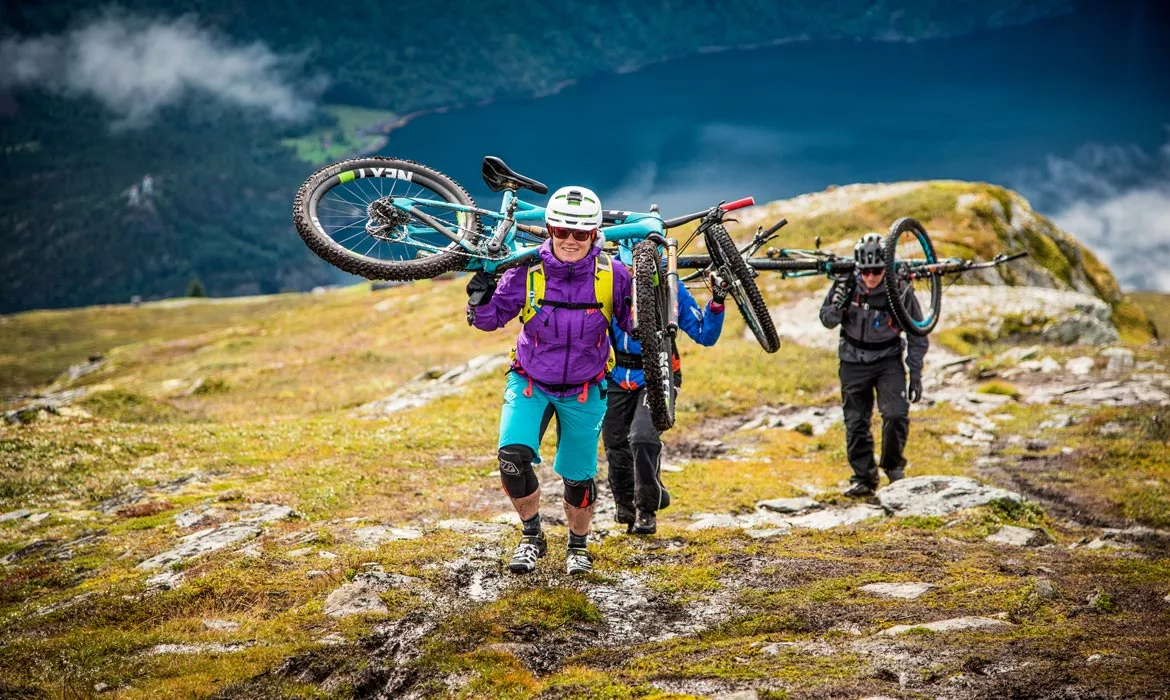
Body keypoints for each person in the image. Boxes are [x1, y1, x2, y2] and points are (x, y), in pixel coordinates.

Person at [466, 185, 632, 575]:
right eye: (561, 231)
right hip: (530, 382)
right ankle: (531, 537)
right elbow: (491, 321)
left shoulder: (613, 275)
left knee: (578, 476)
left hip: (585, 388)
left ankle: (578, 546)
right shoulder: (527, 270)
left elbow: (631, 325)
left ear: (595, 235)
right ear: (549, 229)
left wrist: (653, 296)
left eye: (581, 234)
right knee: (511, 457)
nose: (571, 241)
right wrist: (478, 298)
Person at [603, 259, 726, 535]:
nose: (634, 271)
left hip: (658, 370)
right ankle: (625, 506)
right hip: (615, 373)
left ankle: (647, 509)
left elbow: (706, 334)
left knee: (643, 438)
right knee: (614, 444)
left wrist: (717, 300)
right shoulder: (607, 281)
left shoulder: (671, 288)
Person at [819, 233, 928, 497]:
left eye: (877, 271)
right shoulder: (845, 285)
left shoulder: (899, 290)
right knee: (856, 422)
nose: (870, 277)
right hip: (852, 360)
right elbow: (827, 320)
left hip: (888, 359)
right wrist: (839, 304)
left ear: (886, 268)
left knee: (895, 415)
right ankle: (863, 479)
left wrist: (915, 373)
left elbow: (918, 332)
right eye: (865, 271)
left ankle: (893, 466)